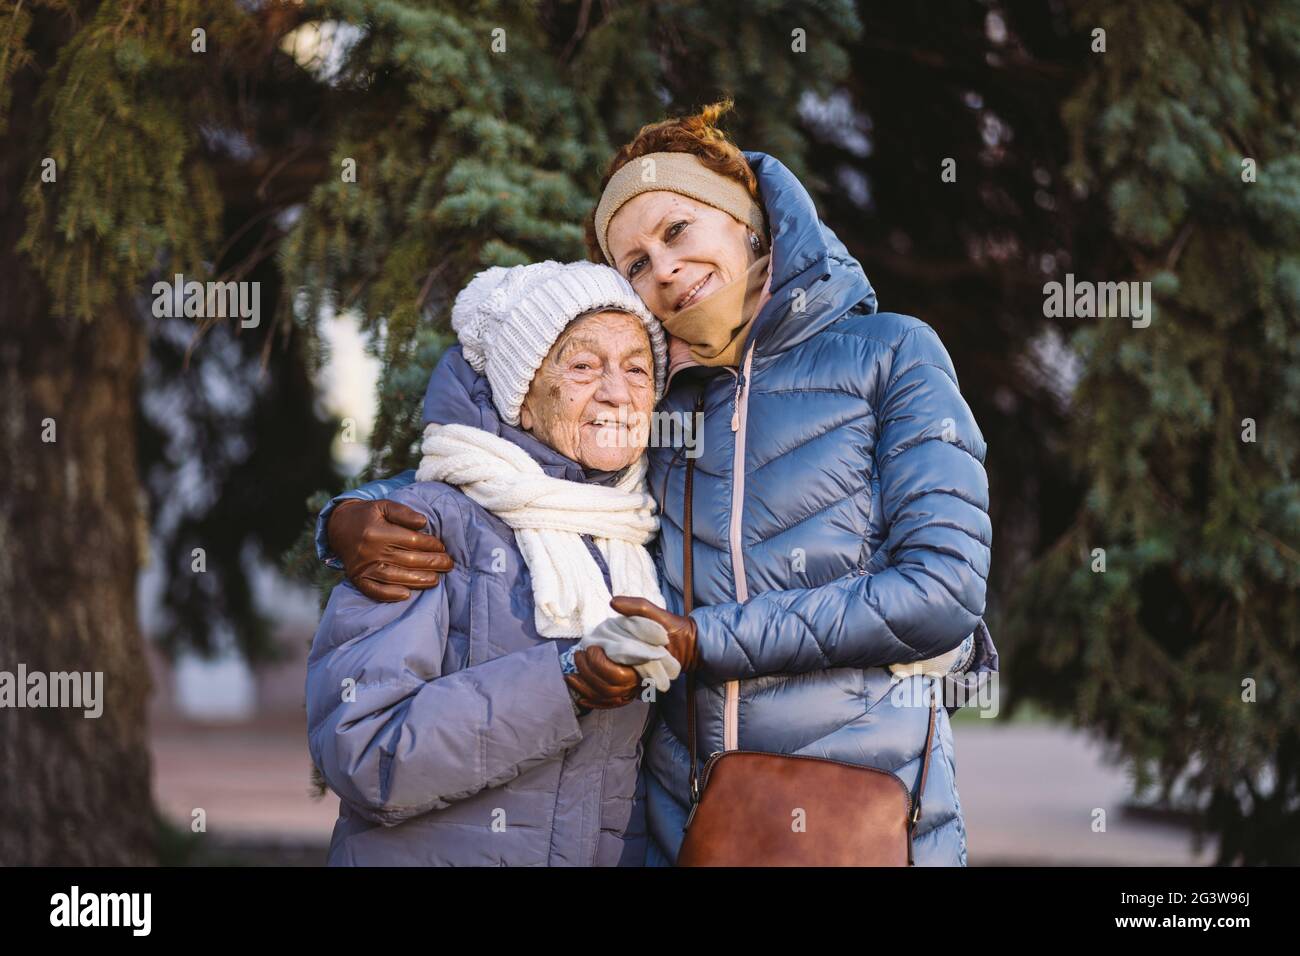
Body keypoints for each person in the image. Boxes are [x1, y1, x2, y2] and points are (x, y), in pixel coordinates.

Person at [319, 102, 998, 866]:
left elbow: (943, 590)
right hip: (687, 827)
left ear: (746, 220)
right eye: (635, 263)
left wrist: (707, 639)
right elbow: (512, 447)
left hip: (860, 810)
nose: (663, 268)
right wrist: (350, 518)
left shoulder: (890, 355)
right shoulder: (654, 396)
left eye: (676, 231)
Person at [305, 259, 677, 865]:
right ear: (520, 398)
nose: (617, 391)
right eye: (582, 366)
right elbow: (366, 752)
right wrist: (563, 684)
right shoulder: (418, 527)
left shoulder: (643, 528)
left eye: (637, 368)